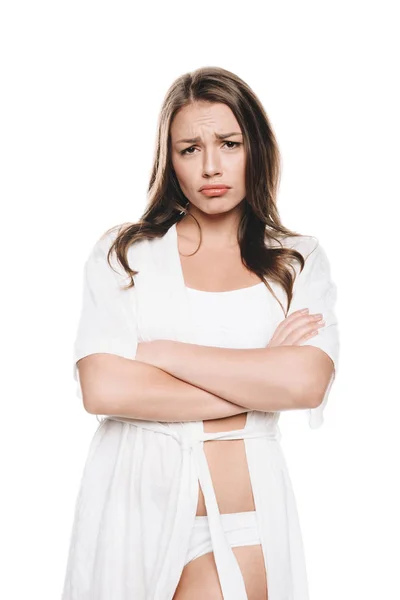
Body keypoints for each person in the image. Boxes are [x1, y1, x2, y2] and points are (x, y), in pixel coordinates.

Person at [61, 66, 340, 600]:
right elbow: (104, 389)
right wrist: (256, 376)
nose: (211, 165)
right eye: (190, 149)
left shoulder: (295, 261)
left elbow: (304, 385)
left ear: (255, 148)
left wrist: (155, 353)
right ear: (170, 160)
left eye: (229, 143)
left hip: (243, 518)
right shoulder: (126, 254)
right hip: (127, 511)